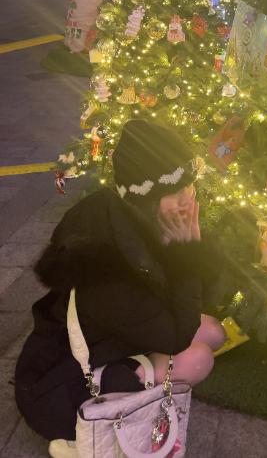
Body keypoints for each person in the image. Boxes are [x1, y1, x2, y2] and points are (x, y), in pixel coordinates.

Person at [15, 119, 226, 457]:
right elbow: (177, 337)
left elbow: (169, 302)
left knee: (214, 331)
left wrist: (186, 254)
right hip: (60, 388)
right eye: (176, 193)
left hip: (112, 337)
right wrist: (188, 257)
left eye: (191, 188)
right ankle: (105, 422)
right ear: (146, 197)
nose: (188, 202)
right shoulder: (105, 266)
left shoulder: (134, 217)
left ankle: (136, 379)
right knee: (198, 359)